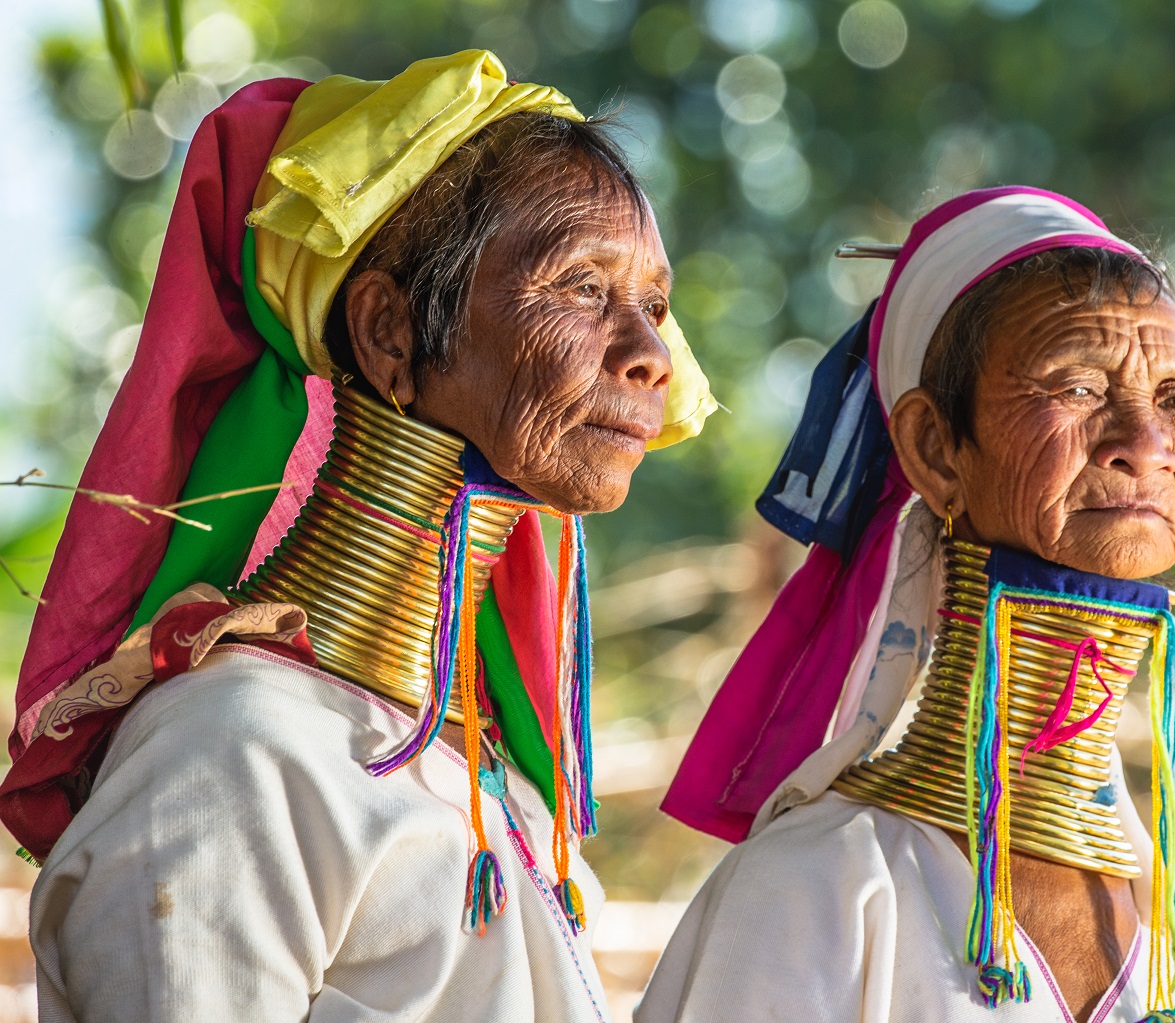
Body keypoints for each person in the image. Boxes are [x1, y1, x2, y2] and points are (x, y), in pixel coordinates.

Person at [3, 50, 715, 1023]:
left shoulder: (486, 783)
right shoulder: (231, 759)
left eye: (655, 308)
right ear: (388, 332)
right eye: (582, 287)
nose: (646, 357)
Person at [641, 187, 1175, 1023]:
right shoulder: (819, 883)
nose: (1145, 446)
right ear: (935, 447)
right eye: (1076, 386)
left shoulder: (1162, 932)